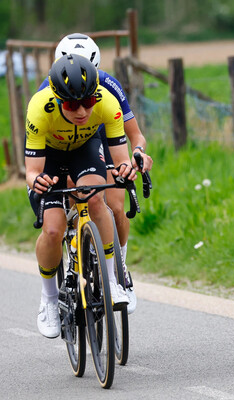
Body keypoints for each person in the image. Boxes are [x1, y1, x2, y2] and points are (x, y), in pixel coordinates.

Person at [38, 33, 153, 314]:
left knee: (114, 205)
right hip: (63, 144)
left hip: (103, 140)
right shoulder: (47, 91)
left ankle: (119, 269)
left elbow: (135, 135)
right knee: (70, 193)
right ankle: (71, 245)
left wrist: (138, 154)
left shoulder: (109, 86)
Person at [26, 54, 137, 338]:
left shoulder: (106, 102)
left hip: (84, 149)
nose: (82, 111)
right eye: (72, 105)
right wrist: (38, 181)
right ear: (58, 99)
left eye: (87, 102)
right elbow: (32, 170)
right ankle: (49, 299)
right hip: (48, 158)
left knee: (97, 198)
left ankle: (111, 281)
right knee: (52, 229)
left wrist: (128, 169)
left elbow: (121, 158)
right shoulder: (40, 108)